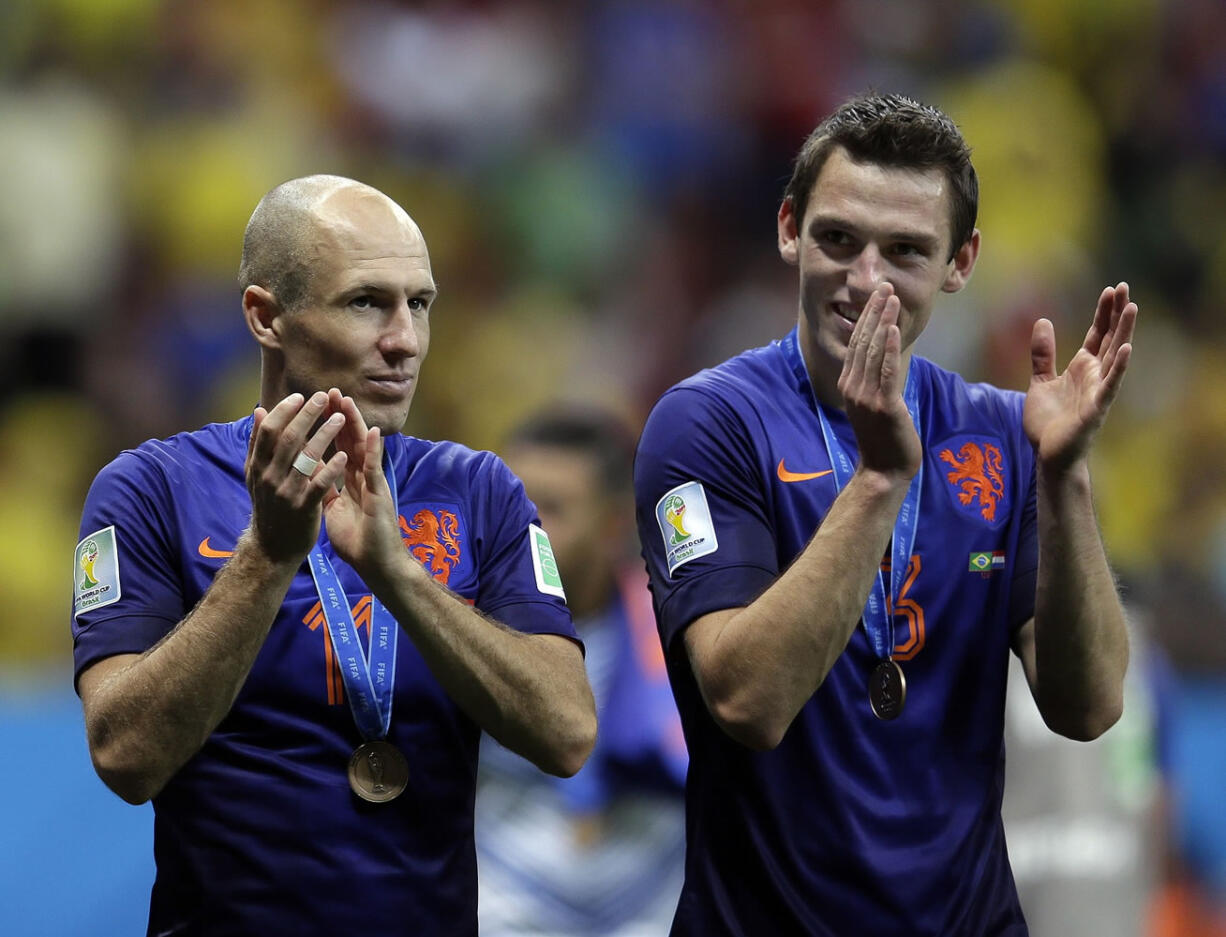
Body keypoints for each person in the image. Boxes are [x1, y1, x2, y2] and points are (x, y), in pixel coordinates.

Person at [632, 92, 1139, 936]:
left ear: (960, 261)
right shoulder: (707, 424)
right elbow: (748, 701)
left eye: (905, 250)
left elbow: (1085, 709)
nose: (866, 280)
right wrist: (879, 480)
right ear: (790, 228)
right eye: (839, 239)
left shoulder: (1001, 436)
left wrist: (1064, 477)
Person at [70, 174, 597, 936]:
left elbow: (567, 733)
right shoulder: (151, 489)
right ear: (266, 317)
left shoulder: (479, 490)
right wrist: (267, 556)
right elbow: (125, 754)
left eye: (419, 303)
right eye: (365, 302)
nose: (405, 340)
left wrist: (399, 574)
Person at [475, 407, 687, 937]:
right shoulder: (458, 633)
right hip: (500, 908)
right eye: (508, 504)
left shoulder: (683, 636)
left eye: (551, 508)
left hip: (650, 912)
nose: (521, 528)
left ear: (615, 523)